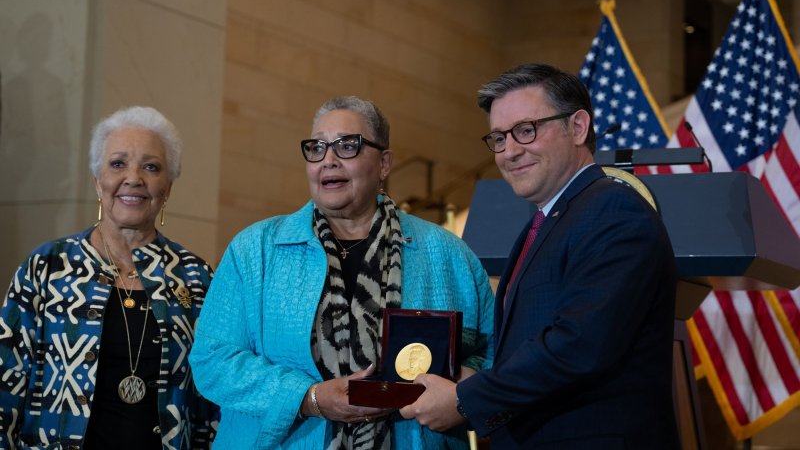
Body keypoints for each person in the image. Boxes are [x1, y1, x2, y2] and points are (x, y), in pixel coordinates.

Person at [190, 96, 494, 449]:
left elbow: (492, 352)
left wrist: (464, 393)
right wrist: (309, 397)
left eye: (348, 146)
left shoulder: (447, 254)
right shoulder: (255, 249)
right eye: (317, 147)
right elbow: (213, 360)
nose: (328, 160)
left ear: (384, 163)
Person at [400, 63, 679, 448]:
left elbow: (579, 346)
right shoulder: (551, 220)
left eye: (526, 130)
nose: (510, 151)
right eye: (498, 138)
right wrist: (475, 379)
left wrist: (466, 400)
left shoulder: (614, 212)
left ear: (578, 127)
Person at [0, 106, 217, 449]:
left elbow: (211, 400)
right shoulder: (47, 265)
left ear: (168, 187)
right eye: (118, 164)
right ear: (98, 181)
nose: (134, 178)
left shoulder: (195, 277)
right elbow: (6, 381)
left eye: (151, 167)